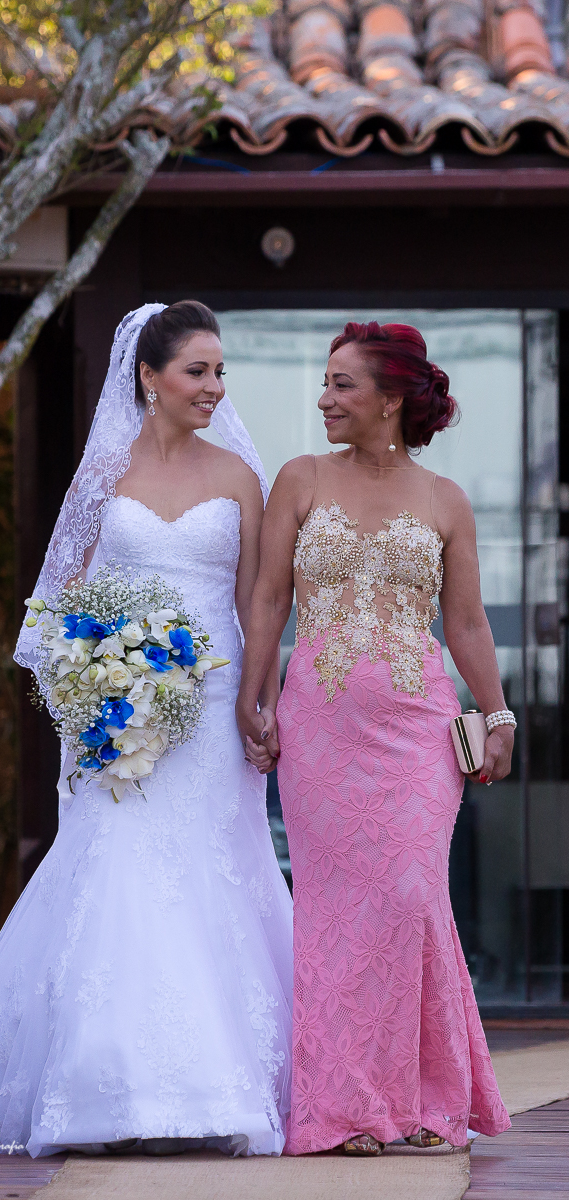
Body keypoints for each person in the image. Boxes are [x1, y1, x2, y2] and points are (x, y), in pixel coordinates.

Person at [0, 301, 293, 1159]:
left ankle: (216, 1088)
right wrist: (91, 687)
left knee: (214, 872)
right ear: (148, 377)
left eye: (219, 372)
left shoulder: (239, 475)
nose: (213, 387)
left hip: (211, 709)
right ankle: (108, 1087)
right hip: (116, 711)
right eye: (197, 370)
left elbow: (257, 606)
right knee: (119, 870)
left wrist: (258, 699)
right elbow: (54, 608)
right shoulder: (103, 476)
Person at [236, 320, 512, 1156]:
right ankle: (343, 1109)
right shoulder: (299, 479)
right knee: (333, 912)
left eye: (342, 384)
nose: (323, 398)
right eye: (324, 383)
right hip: (319, 728)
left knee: (407, 897)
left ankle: (429, 1098)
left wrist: (495, 715)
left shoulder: (444, 500)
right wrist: (255, 695)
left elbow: (463, 622)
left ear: (391, 398)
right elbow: (268, 602)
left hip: (418, 730)